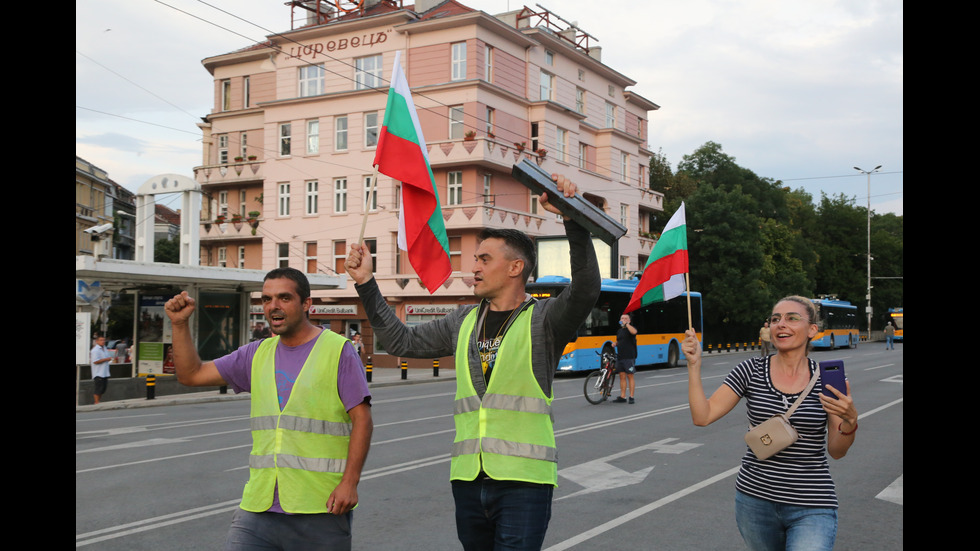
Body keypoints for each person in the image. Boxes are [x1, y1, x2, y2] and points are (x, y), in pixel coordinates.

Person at [345, 174, 599, 551]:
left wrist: (572, 218)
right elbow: (401, 340)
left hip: (524, 480)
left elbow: (586, 289)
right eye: (473, 259)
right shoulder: (461, 320)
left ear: (515, 268)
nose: (473, 267)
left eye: (483, 258)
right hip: (467, 479)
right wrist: (366, 282)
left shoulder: (544, 320)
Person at [163, 267, 373, 551]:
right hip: (258, 508)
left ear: (306, 304)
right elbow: (192, 374)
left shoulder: (338, 350)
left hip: (320, 507)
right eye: (266, 299)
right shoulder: (255, 353)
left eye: (284, 298)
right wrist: (178, 325)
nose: (273, 306)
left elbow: (362, 419)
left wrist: (350, 482)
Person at [681, 295, 858, 551]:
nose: (780, 324)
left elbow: (837, 451)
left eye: (792, 318)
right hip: (755, 501)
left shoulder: (827, 380)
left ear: (812, 330)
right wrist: (694, 366)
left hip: (812, 504)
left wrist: (850, 421)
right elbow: (703, 416)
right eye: (775, 319)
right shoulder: (750, 370)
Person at [613, 313, 637, 404]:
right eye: (622, 318)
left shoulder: (630, 329)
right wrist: (615, 343)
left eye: (626, 318)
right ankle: (623, 396)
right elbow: (620, 340)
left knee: (630, 375)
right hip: (620, 356)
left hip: (629, 357)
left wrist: (627, 324)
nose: (623, 319)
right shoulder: (620, 331)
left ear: (629, 320)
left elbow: (634, 332)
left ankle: (631, 396)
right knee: (622, 376)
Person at [90, 334, 114, 404]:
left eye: (104, 340)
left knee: (103, 389)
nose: (103, 341)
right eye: (101, 340)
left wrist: (108, 359)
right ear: (97, 341)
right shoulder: (95, 350)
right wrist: (106, 359)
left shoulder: (105, 348)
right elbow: (95, 361)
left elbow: (108, 357)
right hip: (98, 373)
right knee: (98, 389)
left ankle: (98, 401)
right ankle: (96, 402)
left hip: (105, 372)